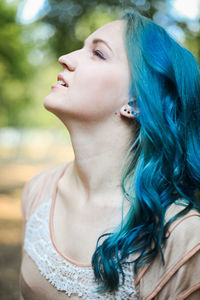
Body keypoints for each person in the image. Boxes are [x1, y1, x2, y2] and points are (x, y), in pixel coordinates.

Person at [19, 8, 200, 300]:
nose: (66, 57)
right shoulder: (37, 193)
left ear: (136, 101)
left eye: (98, 53)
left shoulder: (183, 239)